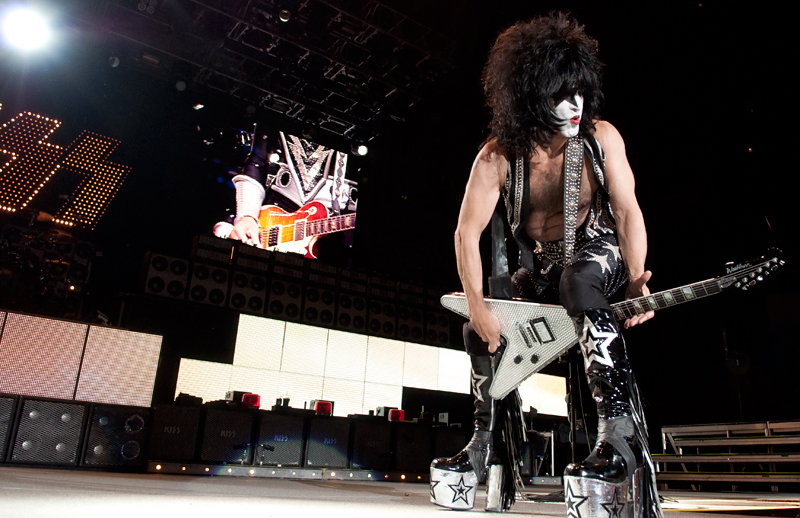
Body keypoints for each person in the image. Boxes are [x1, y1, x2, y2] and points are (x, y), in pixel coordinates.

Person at [429, 13, 664, 517]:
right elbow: (466, 233)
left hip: (596, 253)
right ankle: (484, 443)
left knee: (579, 281)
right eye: (560, 94)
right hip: (539, 270)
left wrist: (636, 279)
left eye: (579, 92)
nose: (574, 105)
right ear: (530, 96)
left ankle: (617, 436)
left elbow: (627, 211)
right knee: (477, 329)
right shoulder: (497, 158)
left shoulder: (601, 138)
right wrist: (479, 308)